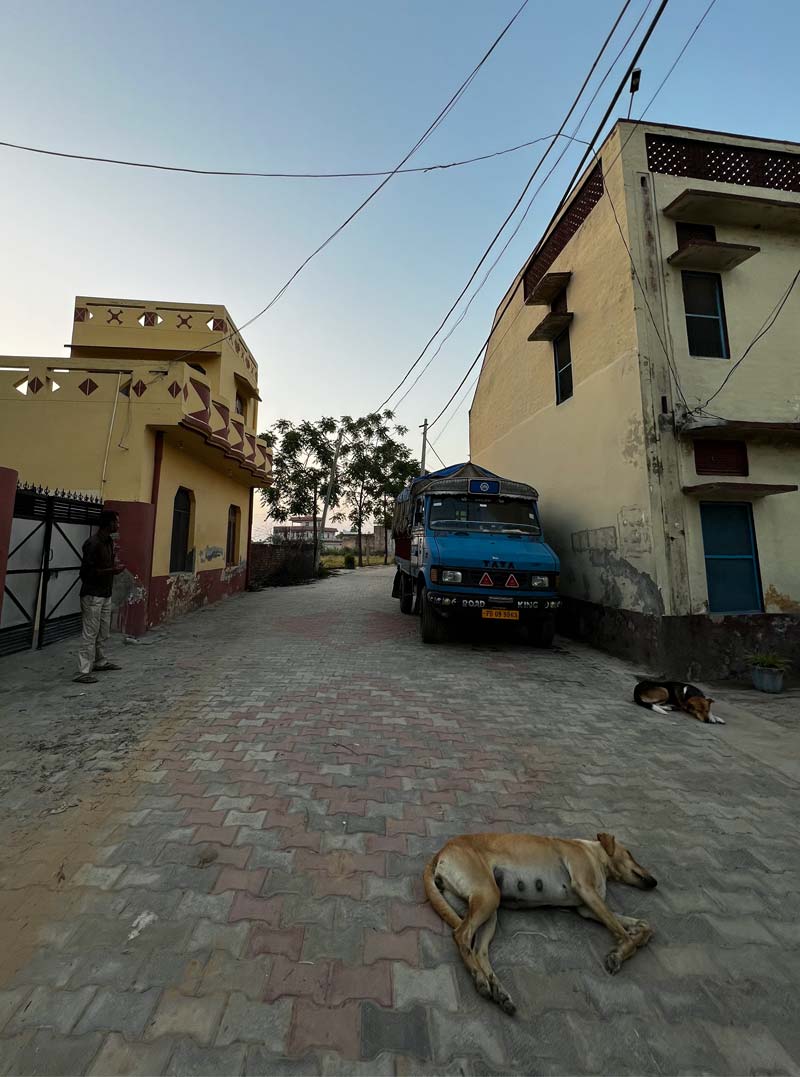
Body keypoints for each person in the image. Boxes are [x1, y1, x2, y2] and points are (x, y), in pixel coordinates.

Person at [74, 509, 124, 684]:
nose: (118, 525)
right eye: (116, 522)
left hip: (105, 593)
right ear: (108, 523)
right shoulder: (92, 543)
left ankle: (100, 661)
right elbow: (86, 573)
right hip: (92, 594)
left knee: (103, 631)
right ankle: (83, 671)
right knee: (90, 633)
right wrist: (112, 571)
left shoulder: (109, 542)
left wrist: (113, 566)